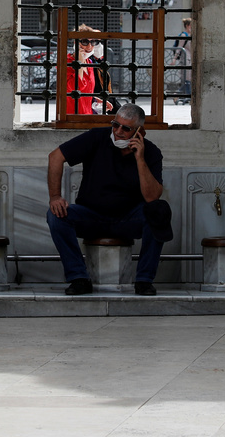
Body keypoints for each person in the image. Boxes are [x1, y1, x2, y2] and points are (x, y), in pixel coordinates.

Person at [46, 103, 173, 296]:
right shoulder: (97, 137)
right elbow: (55, 156)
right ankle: (78, 278)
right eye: (115, 125)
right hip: (91, 216)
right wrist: (55, 196)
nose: (118, 131)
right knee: (56, 215)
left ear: (140, 132)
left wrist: (140, 159)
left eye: (126, 128)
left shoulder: (152, 152)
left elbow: (152, 197)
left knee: (159, 210)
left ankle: (144, 280)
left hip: (129, 219)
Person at [64, 24, 104, 115]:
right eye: (85, 42)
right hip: (72, 115)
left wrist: (94, 99)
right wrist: (80, 64)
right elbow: (74, 88)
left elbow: (86, 90)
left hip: (87, 114)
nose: (89, 46)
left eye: (93, 42)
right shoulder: (66, 62)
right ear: (76, 43)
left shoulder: (89, 63)